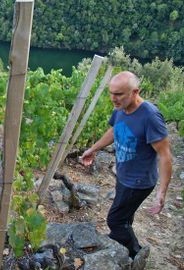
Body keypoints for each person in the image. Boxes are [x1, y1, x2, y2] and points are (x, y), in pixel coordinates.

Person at [80, 71, 172, 262]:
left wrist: (161, 193)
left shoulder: (150, 117)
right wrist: (93, 149)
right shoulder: (120, 108)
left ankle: (134, 253)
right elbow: (115, 130)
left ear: (135, 91)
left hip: (138, 181)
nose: (113, 98)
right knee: (124, 216)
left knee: (115, 219)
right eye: (111, 93)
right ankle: (122, 243)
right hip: (124, 175)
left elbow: (165, 157)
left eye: (119, 94)